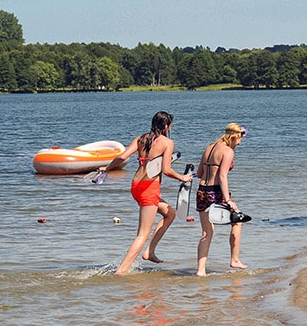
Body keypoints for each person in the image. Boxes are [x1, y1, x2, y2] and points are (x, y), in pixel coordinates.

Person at [102, 111, 192, 275]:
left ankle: (150, 252)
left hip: (136, 185)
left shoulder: (140, 139)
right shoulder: (167, 142)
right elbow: (166, 170)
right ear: (166, 125)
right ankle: (121, 271)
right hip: (149, 188)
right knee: (142, 234)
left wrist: (107, 168)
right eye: (170, 125)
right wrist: (182, 177)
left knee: (169, 214)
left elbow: (122, 157)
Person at [196, 123, 248, 276]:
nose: (239, 144)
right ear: (234, 136)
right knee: (237, 221)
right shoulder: (228, 151)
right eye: (239, 140)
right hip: (216, 192)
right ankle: (235, 259)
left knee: (206, 232)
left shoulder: (210, 147)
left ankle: (200, 270)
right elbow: (222, 176)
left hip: (201, 192)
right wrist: (228, 200)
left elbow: (199, 173)